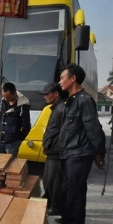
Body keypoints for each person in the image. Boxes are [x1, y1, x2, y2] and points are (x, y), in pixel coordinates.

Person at [55, 64, 106, 224]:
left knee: (76, 190)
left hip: (80, 153)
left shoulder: (84, 100)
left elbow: (94, 128)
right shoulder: (73, 100)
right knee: (67, 188)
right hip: (70, 152)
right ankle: (68, 218)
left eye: (62, 77)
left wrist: (99, 152)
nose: (60, 81)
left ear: (73, 78)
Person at [39, 82, 67, 216]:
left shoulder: (61, 109)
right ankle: (49, 201)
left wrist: (57, 147)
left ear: (56, 94)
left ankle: (56, 206)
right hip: (52, 152)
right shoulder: (55, 108)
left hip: (57, 153)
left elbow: (66, 132)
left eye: (47, 94)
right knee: (48, 179)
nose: (45, 97)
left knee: (55, 180)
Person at [0, 82, 31, 163]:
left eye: (8, 97)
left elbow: (26, 126)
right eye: (4, 96)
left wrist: (19, 139)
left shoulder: (23, 106)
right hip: (1, 140)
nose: (5, 99)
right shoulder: (3, 102)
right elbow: (1, 117)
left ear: (14, 94)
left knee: (9, 167)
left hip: (12, 143)